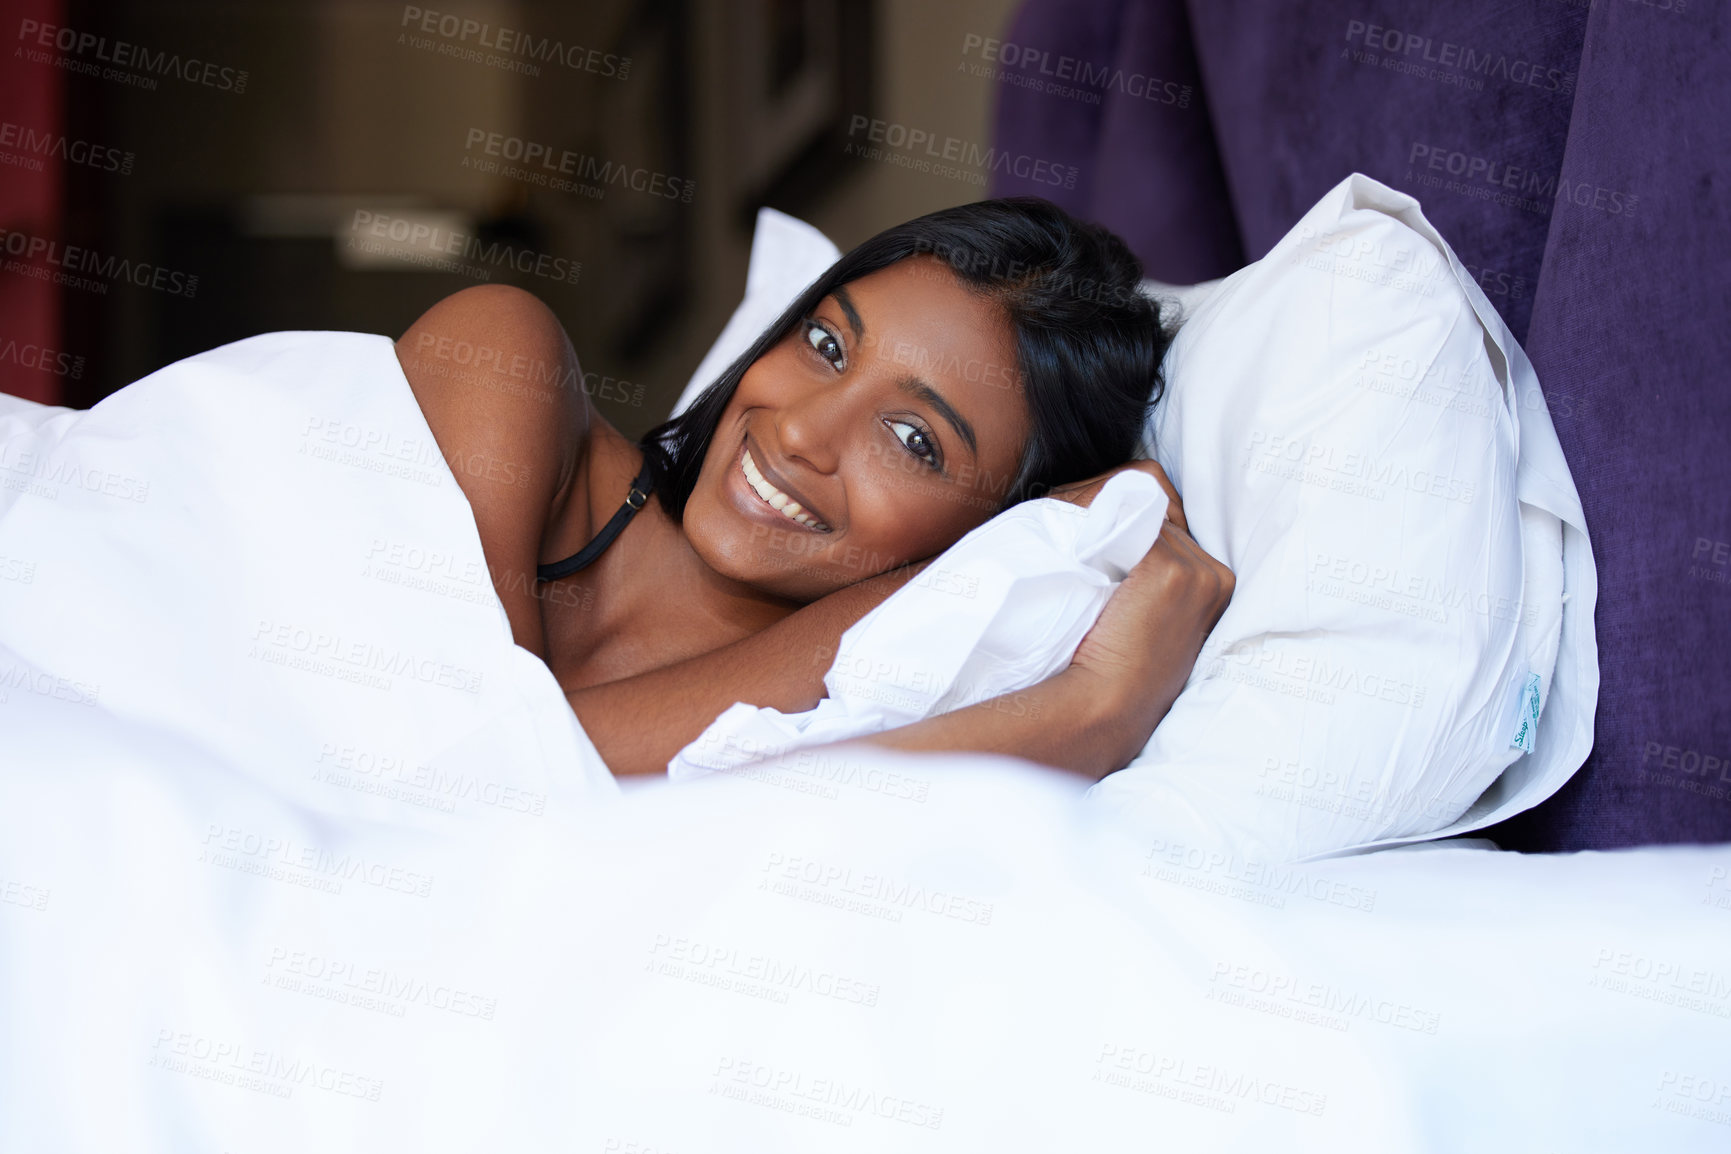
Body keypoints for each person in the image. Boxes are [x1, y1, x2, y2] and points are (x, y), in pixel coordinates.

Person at [395, 197, 1233, 779]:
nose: (799, 431)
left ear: (992, 528)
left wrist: (1098, 708)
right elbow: (476, 778)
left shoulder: (848, 721)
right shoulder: (505, 361)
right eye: (827, 345)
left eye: (913, 441)